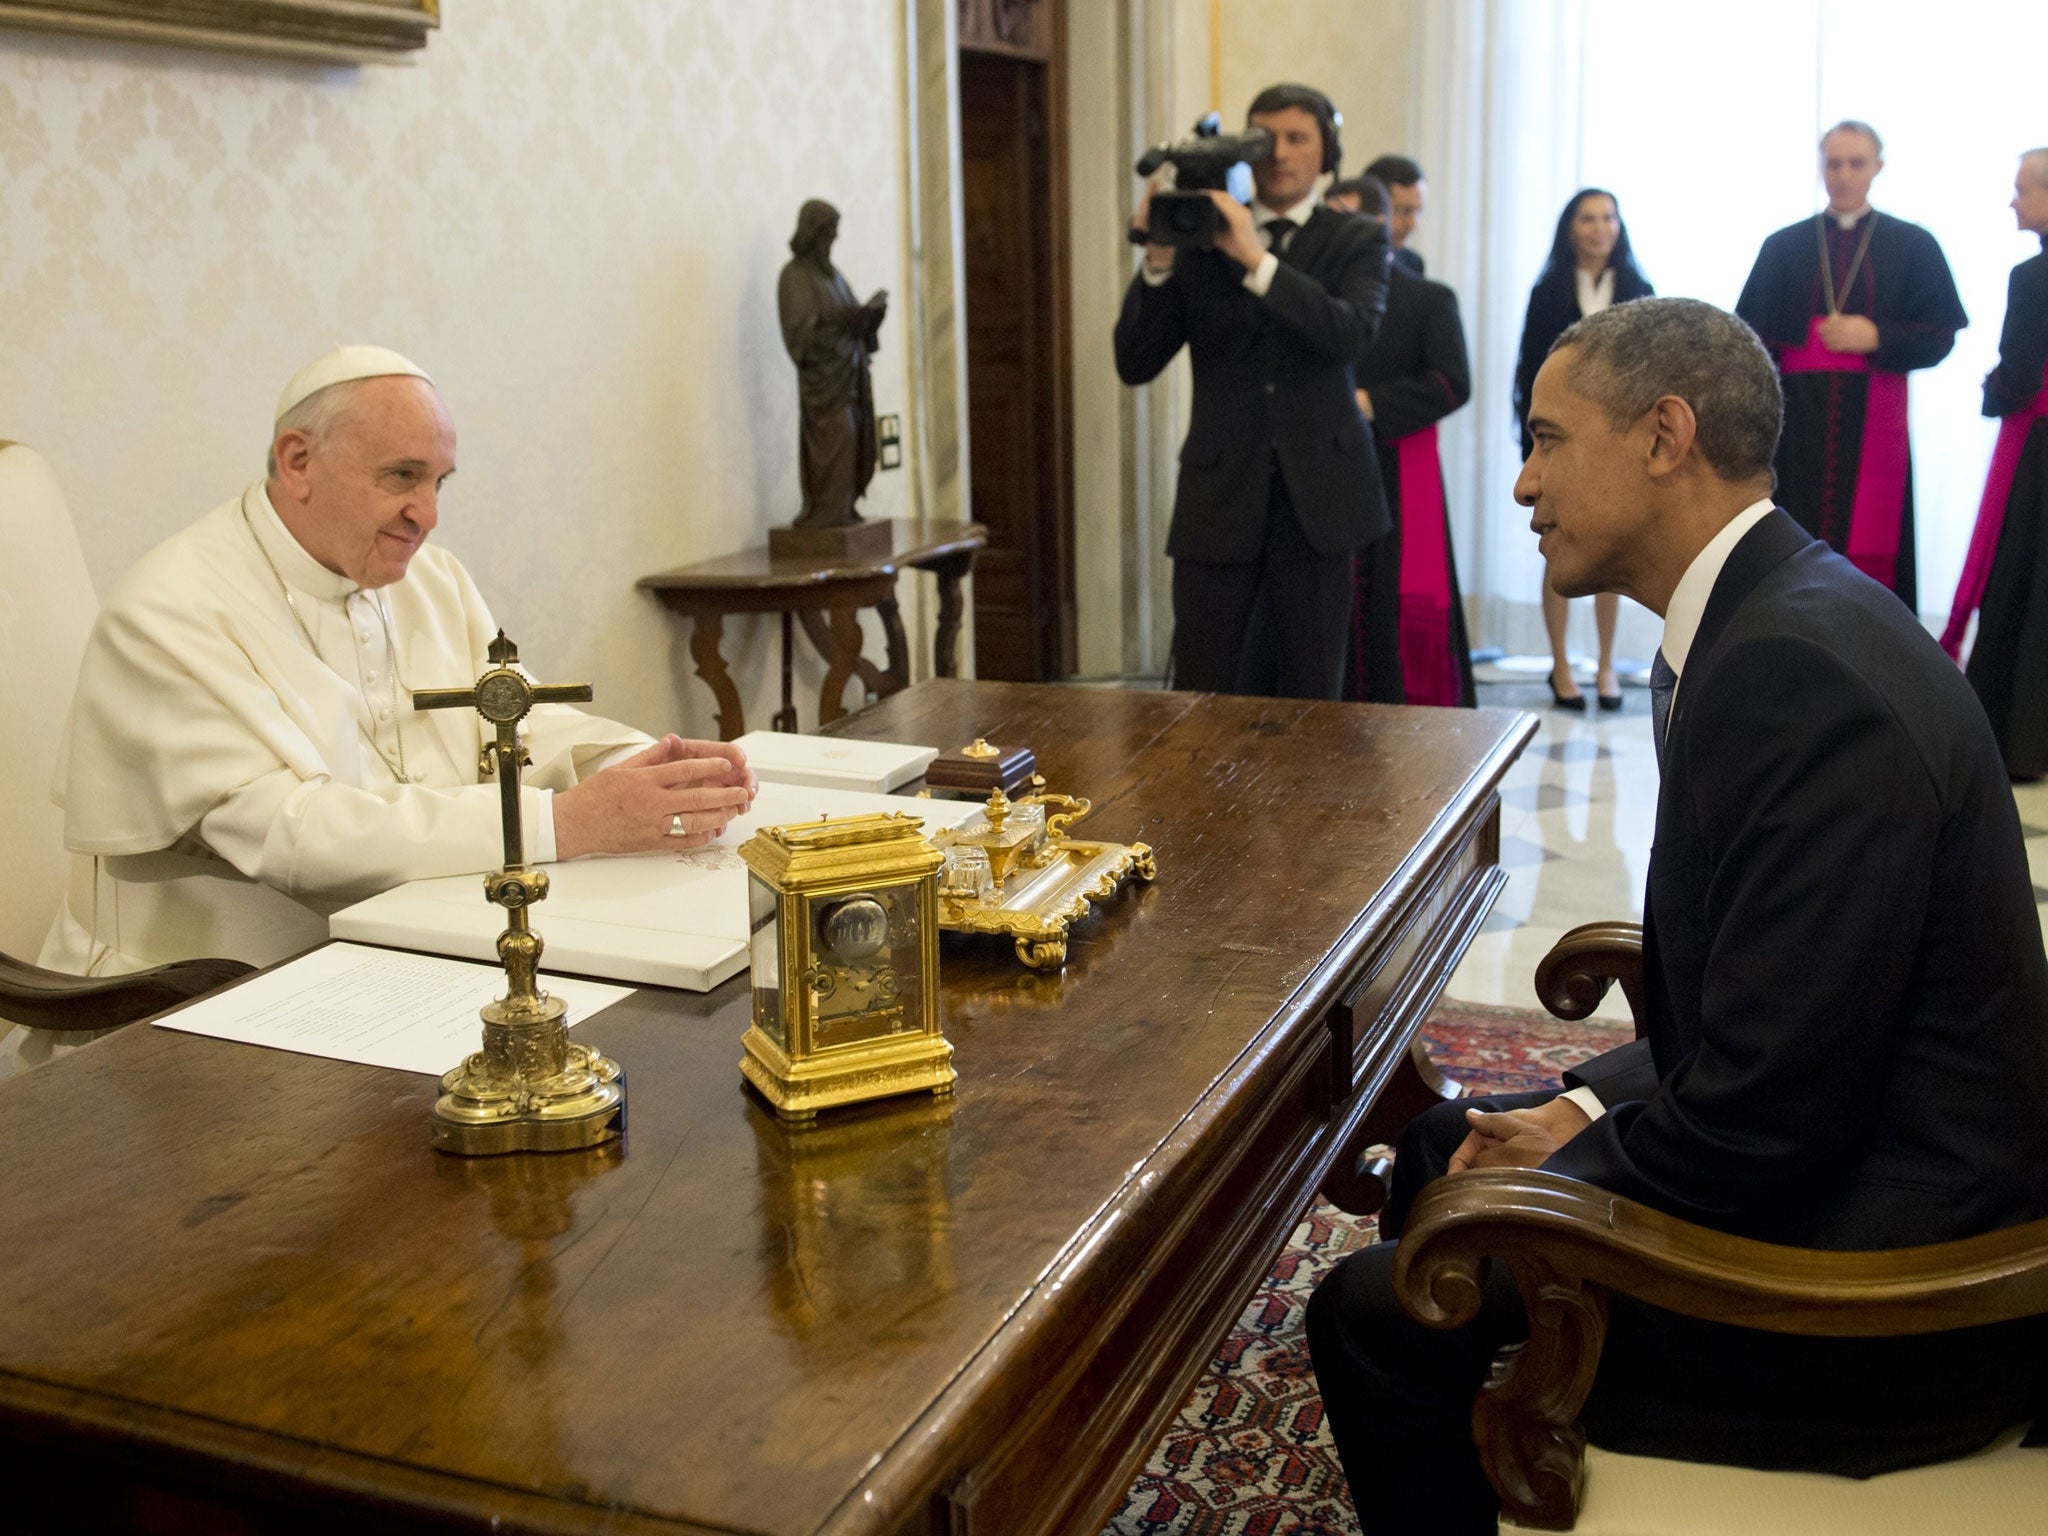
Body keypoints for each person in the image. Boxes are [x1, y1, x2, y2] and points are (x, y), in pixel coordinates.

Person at [1305, 298, 2048, 1534]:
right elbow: (1774, 1008)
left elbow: (1772, 1118)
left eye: (1544, 439)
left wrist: (1566, 1166)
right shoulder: (1775, 613)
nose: (1521, 483)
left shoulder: (1794, 673)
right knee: (1446, 1148)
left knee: (1371, 1316)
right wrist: (1576, 1109)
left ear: (1663, 436)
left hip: (1887, 1300)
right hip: (1843, 1159)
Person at [33, 346, 757, 1000]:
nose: (429, 514)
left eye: (440, 480)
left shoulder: (427, 579)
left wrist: (639, 768)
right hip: (200, 995)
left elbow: (520, 719)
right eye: (402, 477)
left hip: (409, 955)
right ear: (297, 461)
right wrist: (567, 821)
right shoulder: (168, 610)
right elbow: (291, 835)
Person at [1115, 84, 1391, 700]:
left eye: (1299, 139)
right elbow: (1134, 361)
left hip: (1321, 498)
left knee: (1314, 691)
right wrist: (1159, 260)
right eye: (1265, 140)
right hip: (1219, 498)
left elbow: (1348, 334)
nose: (1280, 154)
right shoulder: (1197, 242)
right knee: (1202, 688)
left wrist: (1255, 257)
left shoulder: (1356, 240)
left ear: (1328, 152)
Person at [1735, 121, 1967, 609]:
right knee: (1789, 545)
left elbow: (1941, 336)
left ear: (1877, 167)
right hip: (1794, 428)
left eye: (1855, 163)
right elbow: (1746, 341)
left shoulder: (1913, 244)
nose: (1843, 175)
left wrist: (1877, 335)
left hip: (1873, 425)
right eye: (1833, 163)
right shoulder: (1783, 246)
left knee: (1872, 554)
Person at [1328, 175, 1476, 706]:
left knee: (1393, 604)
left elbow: (1452, 382)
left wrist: (1371, 404)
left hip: (1396, 468)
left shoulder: (1427, 298)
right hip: (1323, 470)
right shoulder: (1313, 295)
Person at [1513, 189, 1652, 710]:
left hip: (1619, 440)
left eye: (1608, 218)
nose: (1599, 228)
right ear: (1570, 227)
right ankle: (1560, 664)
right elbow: (1527, 372)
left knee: (1611, 548)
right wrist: (1532, 442)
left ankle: (1608, 665)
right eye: (1588, 218)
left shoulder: (1640, 288)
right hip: (1557, 439)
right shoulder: (1548, 290)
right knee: (1557, 545)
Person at [1944, 149, 2048, 776]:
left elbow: (2018, 373)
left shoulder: (2032, 277)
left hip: (2038, 452)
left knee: (2023, 581)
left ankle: (2021, 742)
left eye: (2024, 189)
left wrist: (1994, 391)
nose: (2013, 201)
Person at [778, 199, 888, 527]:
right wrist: (847, 325)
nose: (832, 243)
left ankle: (844, 509)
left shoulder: (834, 278)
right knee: (836, 443)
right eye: (828, 236)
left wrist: (868, 319)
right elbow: (803, 341)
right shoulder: (794, 276)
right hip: (826, 390)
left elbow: (851, 320)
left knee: (854, 443)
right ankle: (827, 512)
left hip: (851, 380)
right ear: (813, 235)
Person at [1362, 155, 1427, 276]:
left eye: (1418, 211)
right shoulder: (1345, 260)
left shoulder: (1413, 263)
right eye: (1403, 211)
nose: (1412, 224)